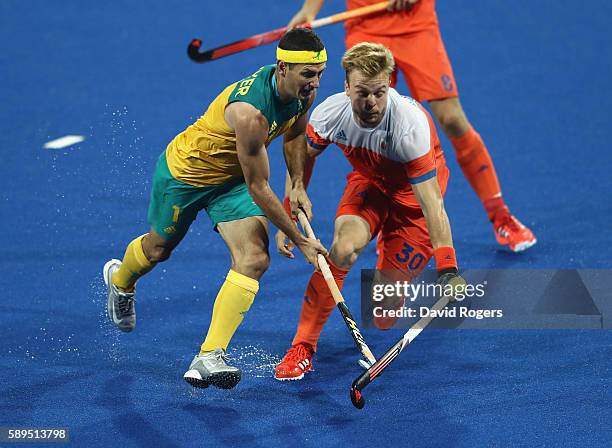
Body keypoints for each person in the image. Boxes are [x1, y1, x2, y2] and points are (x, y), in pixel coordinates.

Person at [102, 28, 328, 390]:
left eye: (319, 74)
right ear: (282, 68)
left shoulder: (303, 92)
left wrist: (298, 183)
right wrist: (299, 238)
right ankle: (121, 281)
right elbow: (260, 187)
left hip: (233, 181)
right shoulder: (250, 114)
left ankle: (209, 354)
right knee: (158, 249)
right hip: (186, 176)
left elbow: (295, 135)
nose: (315, 84)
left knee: (254, 258)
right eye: (308, 75)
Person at [274, 42, 466, 381]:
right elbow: (300, 161)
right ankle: (302, 346)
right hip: (370, 185)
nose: (372, 103)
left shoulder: (410, 127)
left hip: (413, 207)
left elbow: (432, 205)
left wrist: (447, 268)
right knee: (343, 249)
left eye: (379, 92)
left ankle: (389, 255)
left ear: (389, 85)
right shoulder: (330, 114)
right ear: (347, 87)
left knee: (383, 313)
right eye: (362, 92)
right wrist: (291, 207)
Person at [288, 0, 536, 252]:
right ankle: (387, 213)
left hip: (415, 23)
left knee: (453, 120)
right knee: (376, 119)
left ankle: (500, 215)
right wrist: (310, 9)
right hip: (367, 24)